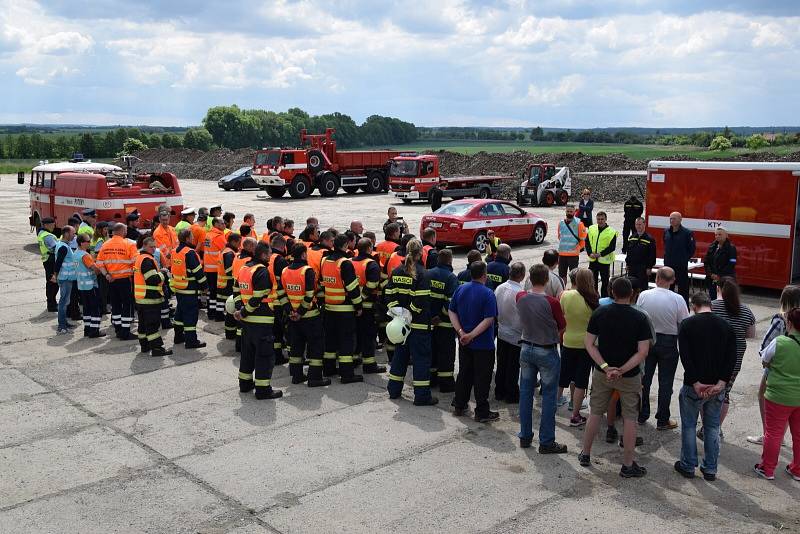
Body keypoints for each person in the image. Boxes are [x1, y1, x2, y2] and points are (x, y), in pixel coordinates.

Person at [579, 277, 651, 478]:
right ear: (631, 293)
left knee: (595, 412)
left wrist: (605, 366)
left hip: (603, 373)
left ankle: (585, 453)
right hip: (630, 376)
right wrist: (621, 369)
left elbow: (589, 343)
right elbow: (643, 351)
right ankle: (627, 464)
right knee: (630, 418)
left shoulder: (600, 312)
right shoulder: (640, 318)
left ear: (612, 292)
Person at [674, 292, 736, 481]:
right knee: (712, 427)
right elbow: (731, 358)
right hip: (717, 386)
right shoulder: (726, 326)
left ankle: (688, 464)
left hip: (694, 385)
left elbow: (685, 356)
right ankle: (710, 468)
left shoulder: (687, 325)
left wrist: (695, 382)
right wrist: (721, 383)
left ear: (693, 306)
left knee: (689, 425)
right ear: (711, 306)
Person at [516, 264, 568, 453]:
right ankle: (546, 441)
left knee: (526, 393)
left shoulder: (520, 297)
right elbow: (562, 325)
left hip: (526, 347)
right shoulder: (552, 302)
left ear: (530, 278)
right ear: (547, 280)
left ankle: (525, 435)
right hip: (545, 349)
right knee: (548, 397)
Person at [636, 267, 690, 430]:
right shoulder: (678, 299)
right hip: (669, 341)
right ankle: (663, 419)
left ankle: (641, 413)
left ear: (657, 278)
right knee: (666, 383)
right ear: (672, 280)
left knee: (644, 379)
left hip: (648, 340)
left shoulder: (644, 295)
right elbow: (684, 323)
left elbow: (639, 317)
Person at [385, 239, 437, 406]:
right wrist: (409, 315)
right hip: (419, 326)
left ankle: (393, 390)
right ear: (421, 253)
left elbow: (389, 295)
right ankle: (422, 396)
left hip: (401, 327)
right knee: (421, 360)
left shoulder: (397, 271)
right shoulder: (423, 274)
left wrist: (399, 315)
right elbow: (420, 300)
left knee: (399, 357)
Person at [748, 285, 800, 445]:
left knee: (764, 397)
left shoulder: (781, 318)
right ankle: (781, 435)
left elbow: (765, 346)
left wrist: (766, 362)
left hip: (777, 368)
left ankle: (769, 435)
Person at [449, 261, 499, 422]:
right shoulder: (488, 293)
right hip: (483, 344)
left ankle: (459, 404)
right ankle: (482, 412)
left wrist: (461, 332)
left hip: (464, 343)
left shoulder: (461, 289)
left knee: (464, 373)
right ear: (485, 275)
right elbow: (489, 319)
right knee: (482, 378)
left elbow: (452, 311)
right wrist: (471, 335)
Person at [755, 307, 800, 481]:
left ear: (789, 323)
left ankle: (767, 469)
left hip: (778, 396)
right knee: (798, 434)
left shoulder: (780, 341)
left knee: (773, 433)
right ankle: (797, 470)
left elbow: (764, 359)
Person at [234, 242, 282, 400]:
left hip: (247, 322)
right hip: (261, 321)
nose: (270, 256)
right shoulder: (262, 271)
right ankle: (262, 390)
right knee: (264, 356)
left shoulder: (244, 268)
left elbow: (236, 291)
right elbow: (258, 296)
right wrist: (244, 311)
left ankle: (245, 383)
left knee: (248, 353)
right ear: (263, 255)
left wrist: (239, 309)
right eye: (269, 254)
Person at [708, 277, 755, 432]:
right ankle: (716, 428)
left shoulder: (711, 306)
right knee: (725, 392)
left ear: (718, 289)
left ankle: (708, 426)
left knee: (708, 391)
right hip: (735, 358)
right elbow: (750, 334)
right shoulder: (746, 310)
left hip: (712, 356)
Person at [282, 243, 331, 387]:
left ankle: (296, 376)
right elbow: (309, 295)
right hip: (309, 316)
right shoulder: (307, 271)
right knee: (316, 346)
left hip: (293, 317)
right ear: (304, 255)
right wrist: (300, 312)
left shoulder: (285, 270)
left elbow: (281, 294)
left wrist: (290, 311)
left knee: (296, 346)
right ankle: (315, 378)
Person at [319, 233, 364, 383]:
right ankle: (346, 374)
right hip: (344, 309)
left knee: (330, 341)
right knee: (346, 342)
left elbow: (322, 281)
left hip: (329, 307)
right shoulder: (345, 263)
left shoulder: (324, 260)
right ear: (345, 246)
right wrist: (358, 306)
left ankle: (329, 368)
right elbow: (352, 287)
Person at [558, 267, 600, 426]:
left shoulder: (565, 295)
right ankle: (575, 415)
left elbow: (561, 317)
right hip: (587, 346)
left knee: (563, 376)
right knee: (581, 380)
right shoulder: (594, 299)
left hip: (568, 340)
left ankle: (552, 408)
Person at [96, 223, 137, 340]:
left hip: (111, 280)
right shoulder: (129, 244)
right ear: (123, 231)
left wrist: (107, 275)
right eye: (126, 230)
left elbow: (99, 263)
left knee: (116, 305)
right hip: (125, 279)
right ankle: (125, 331)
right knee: (127, 305)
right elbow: (136, 262)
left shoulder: (105, 245)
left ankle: (118, 329)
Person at [351, 238, 386, 374]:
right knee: (369, 336)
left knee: (357, 334)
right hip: (367, 306)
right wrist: (361, 299)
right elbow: (372, 285)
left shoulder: (349, 262)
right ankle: (369, 364)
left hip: (353, 306)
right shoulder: (371, 264)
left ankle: (355, 359)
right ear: (369, 249)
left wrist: (355, 301)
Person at [134, 237, 172, 356]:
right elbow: (152, 279)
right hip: (150, 299)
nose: (154, 249)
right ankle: (157, 349)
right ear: (144, 246)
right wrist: (163, 273)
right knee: (152, 325)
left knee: (143, 324)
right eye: (151, 247)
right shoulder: (147, 260)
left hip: (141, 298)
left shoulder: (140, 258)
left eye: (155, 247)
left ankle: (145, 346)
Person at [170, 229, 208, 349]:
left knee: (180, 314)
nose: (192, 238)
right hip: (189, 289)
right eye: (191, 237)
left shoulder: (174, 251)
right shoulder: (189, 253)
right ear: (187, 239)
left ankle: (178, 337)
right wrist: (204, 286)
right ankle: (191, 341)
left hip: (178, 288)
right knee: (191, 315)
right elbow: (198, 272)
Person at [428, 249, 459, 392]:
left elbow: (423, 298)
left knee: (432, 352)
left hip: (429, 323)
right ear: (450, 261)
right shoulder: (451, 278)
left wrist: (430, 317)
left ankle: (431, 379)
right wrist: (440, 317)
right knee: (446, 353)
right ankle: (446, 383)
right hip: (445, 324)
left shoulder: (428, 274)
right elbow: (451, 304)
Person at [494, 262, 525, 404]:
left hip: (501, 331)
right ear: (522, 276)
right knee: (512, 366)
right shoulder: (520, 293)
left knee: (501, 363)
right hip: (515, 335)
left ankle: (499, 391)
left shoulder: (500, 288)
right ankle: (511, 394)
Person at [74, 233, 105, 338]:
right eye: (88, 241)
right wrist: (100, 271)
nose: (90, 243)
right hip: (91, 286)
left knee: (86, 309)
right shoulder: (85, 255)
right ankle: (94, 331)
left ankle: (87, 329)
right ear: (82, 243)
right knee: (95, 308)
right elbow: (94, 268)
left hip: (82, 286)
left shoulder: (76, 253)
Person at [663, 211, 695, 303]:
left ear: (680, 220)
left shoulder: (687, 233)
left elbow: (691, 249)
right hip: (668, 265)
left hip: (681, 266)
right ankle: (668, 305)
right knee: (668, 288)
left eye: (674, 218)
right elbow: (665, 244)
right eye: (670, 219)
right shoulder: (666, 232)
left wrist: (683, 258)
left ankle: (684, 307)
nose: (672, 220)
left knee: (683, 289)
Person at [268, 234, 290, 365]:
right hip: (279, 300)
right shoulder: (280, 260)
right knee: (286, 330)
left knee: (275, 331)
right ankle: (290, 354)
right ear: (283, 246)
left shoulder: (268, 257)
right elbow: (285, 280)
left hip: (269, 300)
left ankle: (277, 356)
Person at [232, 237, 256, 353]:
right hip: (246, 291)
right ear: (250, 247)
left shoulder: (236, 256)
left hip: (237, 289)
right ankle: (243, 346)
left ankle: (238, 345)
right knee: (245, 322)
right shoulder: (249, 260)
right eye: (254, 246)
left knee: (239, 324)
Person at [585, 211, 617, 298]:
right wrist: (589, 253)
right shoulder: (591, 228)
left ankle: (604, 299)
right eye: (598, 219)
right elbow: (587, 242)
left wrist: (600, 254)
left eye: (602, 219)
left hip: (604, 261)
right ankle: (594, 297)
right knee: (592, 281)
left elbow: (612, 247)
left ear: (606, 219)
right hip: (593, 260)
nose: (600, 221)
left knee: (605, 282)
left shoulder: (612, 232)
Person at [53, 225, 77, 334]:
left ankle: (64, 323)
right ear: (66, 234)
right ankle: (61, 326)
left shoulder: (62, 244)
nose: (74, 235)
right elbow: (58, 264)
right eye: (73, 233)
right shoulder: (63, 247)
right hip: (65, 278)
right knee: (63, 302)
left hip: (66, 277)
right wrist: (55, 276)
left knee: (66, 301)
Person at [217, 232, 241, 340]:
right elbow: (229, 271)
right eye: (238, 243)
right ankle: (231, 333)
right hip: (228, 285)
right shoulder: (229, 253)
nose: (239, 245)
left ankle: (229, 333)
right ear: (233, 242)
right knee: (231, 310)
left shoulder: (225, 251)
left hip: (223, 284)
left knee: (229, 311)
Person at [202, 217, 227, 320]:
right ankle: (217, 313)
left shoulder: (208, 235)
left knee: (211, 292)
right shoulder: (219, 237)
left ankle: (211, 312)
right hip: (217, 269)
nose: (224, 225)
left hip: (208, 268)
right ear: (216, 224)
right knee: (217, 293)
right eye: (222, 223)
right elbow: (227, 251)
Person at [704, 227, 737, 300]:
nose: (717, 236)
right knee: (713, 299)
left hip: (725, 279)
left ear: (726, 235)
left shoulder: (731, 248)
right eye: (716, 235)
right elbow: (706, 261)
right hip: (712, 279)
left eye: (720, 234)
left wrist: (719, 275)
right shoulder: (712, 247)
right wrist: (710, 274)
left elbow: (732, 263)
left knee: (725, 299)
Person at [625, 217, 656, 291]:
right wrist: (627, 264)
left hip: (643, 268)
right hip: (632, 267)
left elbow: (652, 254)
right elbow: (629, 252)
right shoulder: (631, 238)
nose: (638, 226)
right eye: (636, 224)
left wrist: (649, 267)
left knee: (642, 288)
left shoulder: (649, 239)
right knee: (631, 287)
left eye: (640, 224)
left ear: (644, 224)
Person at [556, 205, 587, 281]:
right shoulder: (561, 223)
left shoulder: (579, 223)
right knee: (562, 276)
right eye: (568, 211)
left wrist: (578, 248)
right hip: (562, 254)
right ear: (565, 211)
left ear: (574, 212)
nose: (569, 213)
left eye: (571, 211)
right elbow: (559, 236)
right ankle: (563, 291)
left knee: (574, 277)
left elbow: (583, 239)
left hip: (573, 255)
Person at [37, 217, 59, 312]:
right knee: (53, 284)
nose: (54, 225)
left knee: (50, 283)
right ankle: (52, 305)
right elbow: (56, 248)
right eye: (52, 224)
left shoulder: (41, 233)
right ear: (46, 225)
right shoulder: (48, 236)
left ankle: (51, 303)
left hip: (46, 260)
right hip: (51, 261)